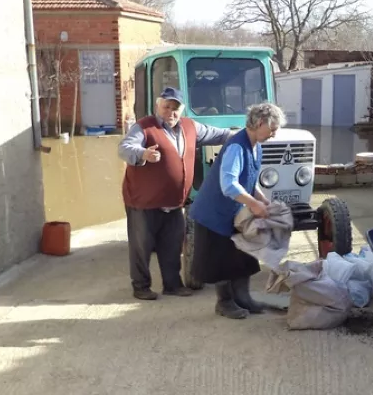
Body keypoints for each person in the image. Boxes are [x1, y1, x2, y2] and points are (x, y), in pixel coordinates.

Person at [118, 87, 233, 301]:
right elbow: (124, 148)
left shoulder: (191, 127)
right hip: (144, 202)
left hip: (174, 202)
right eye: (166, 107)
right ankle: (141, 286)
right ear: (157, 106)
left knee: (172, 244)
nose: (170, 112)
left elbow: (218, 134)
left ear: (182, 110)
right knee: (141, 247)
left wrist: (240, 135)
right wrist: (143, 154)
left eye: (175, 108)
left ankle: (172, 285)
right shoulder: (143, 127)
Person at [189, 103, 286, 320]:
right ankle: (224, 303)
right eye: (272, 128)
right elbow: (229, 185)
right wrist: (254, 205)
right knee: (221, 260)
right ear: (259, 123)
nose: (274, 133)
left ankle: (243, 298)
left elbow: (248, 180)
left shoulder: (255, 146)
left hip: (232, 212)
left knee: (242, 256)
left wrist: (263, 200)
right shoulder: (236, 146)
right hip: (213, 214)